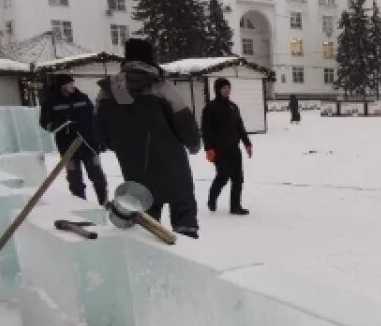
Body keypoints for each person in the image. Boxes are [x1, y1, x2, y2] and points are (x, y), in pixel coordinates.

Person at [95, 39, 202, 238]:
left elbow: (100, 132)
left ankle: (151, 261)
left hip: (133, 168)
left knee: (146, 219)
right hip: (172, 165)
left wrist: (124, 147)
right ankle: (189, 255)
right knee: (183, 212)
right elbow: (184, 121)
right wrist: (194, 144)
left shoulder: (106, 92)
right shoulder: (162, 87)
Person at [38, 73, 108, 204]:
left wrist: (101, 139)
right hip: (68, 148)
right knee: (75, 180)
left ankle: (103, 203)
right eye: (69, 84)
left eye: (72, 83)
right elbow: (44, 122)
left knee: (98, 177)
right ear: (61, 86)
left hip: (89, 144)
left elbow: (94, 119)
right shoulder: (51, 102)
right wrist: (58, 125)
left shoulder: (83, 98)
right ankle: (81, 206)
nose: (72, 86)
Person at [200, 77, 252, 216]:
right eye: (224, 88)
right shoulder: (210, 107)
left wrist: (247, 143)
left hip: (234, 149)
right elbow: (206, 130)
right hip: (219, 150)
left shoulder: (233, 106)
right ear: (218, 89)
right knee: (223, 177)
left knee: (238, 179)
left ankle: (235, 206)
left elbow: (240, 127)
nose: (227, 90)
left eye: (228, 88)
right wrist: (208, 149)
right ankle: (212, 199)